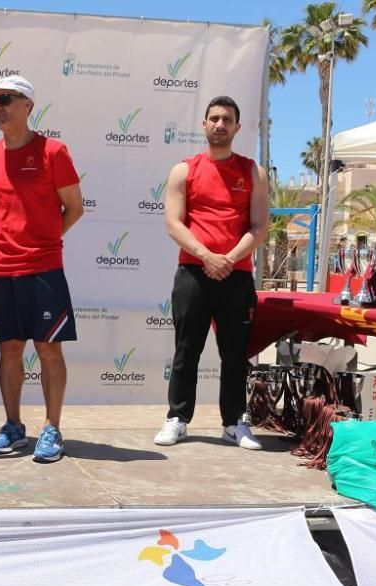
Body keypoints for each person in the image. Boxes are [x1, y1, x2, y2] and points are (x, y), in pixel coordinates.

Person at [0, 76, 83, 463]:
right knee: (9, 349)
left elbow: (75, 208)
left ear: (28, 105)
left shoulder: (54, 151)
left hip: (43, 269)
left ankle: (52, 429)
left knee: (48, 349)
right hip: (1, 270)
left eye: (6, 99)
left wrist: (45, 239)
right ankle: (14, 426)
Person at [153, 95, 269, 450]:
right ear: (205, 125)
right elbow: (174, 223)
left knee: (234, 353)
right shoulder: (184, 170)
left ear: (237, 127)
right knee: (187, 350)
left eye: (227, 119)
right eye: (214, 118)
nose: (220, 124)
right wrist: (207, 256)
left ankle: (234, 423)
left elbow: (259, 225)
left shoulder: (253, 171)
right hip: (193, 272)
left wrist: (229, 259)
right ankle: (177, 418)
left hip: (235, 275)